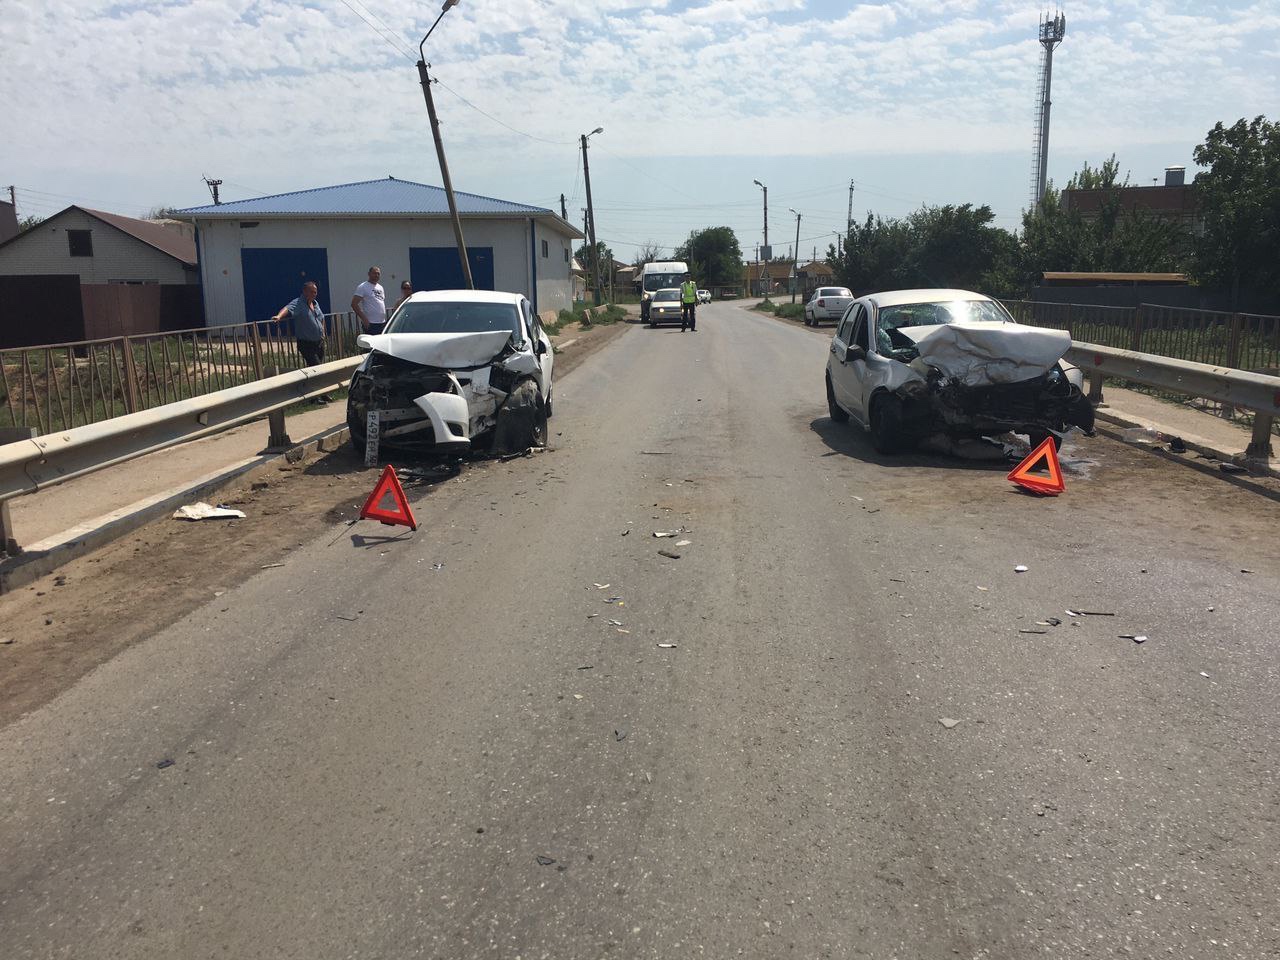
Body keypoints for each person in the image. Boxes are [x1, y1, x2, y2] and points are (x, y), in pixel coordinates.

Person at [271, 281, 331, 401]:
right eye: (312, 292)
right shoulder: (298, 303)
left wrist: (323, 333)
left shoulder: (315, 303)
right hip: (306, 343)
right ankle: (314, 396)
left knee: (316, 369)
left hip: (318, 342)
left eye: (315, 292)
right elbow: (287, 309)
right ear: (305, 292)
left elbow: (322, 318)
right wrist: (279, 316)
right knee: (315, 367)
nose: (314, 294)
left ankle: (320, 393)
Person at [351, 266, 387, 334]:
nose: (376, 275)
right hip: (371, 323)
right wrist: (364, 319)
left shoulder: (380, 287)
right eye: (374, 273)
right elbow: (354, 304)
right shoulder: (363, 286)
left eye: (378, 274)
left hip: (382, 323)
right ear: (369, 274)